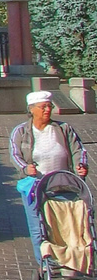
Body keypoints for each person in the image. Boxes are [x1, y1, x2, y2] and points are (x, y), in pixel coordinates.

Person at [9, 90, 88, 265]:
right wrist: (25, 167)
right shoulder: (21, 131)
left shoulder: (63, 128)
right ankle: (45, 265)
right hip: (35, 186)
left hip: (63, 183)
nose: (47, 110)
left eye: (49, 106)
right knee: (39, 229)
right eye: (43, 107)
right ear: (32, 109)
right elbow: (15, 154)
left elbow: (78, 150)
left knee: (65, 225)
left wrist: (80, 167)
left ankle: (70, 261)